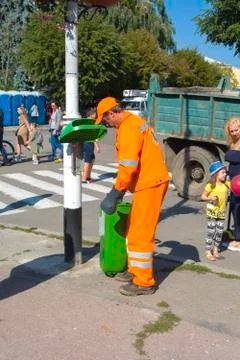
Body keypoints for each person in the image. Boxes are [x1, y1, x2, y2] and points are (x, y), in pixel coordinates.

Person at [95, 97, 170, 296]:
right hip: (151, 181)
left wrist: (116, 192)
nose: (106, 124)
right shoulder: (134, 123)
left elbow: (128, 165)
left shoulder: (128, 128)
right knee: (134, 228)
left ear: (112, 113)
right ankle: (135, 271)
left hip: (150, 183)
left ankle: (144, 282)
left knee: (141, 233)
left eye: (105, 120)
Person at [201, 161, 229, 260]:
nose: (225, 174)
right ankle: (208, 251)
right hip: (212, 212)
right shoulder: (210, 185)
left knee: (219, 232)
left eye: (225, 172)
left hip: (221, 212)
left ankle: (216, 250)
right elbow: (203, 196)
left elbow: (235, 186)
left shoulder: (226, 184)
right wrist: (210, 198)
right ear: (216, 174)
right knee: (211, 232)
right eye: (223, 172)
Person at [224, 116, 240, 250]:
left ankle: (239, 240)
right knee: (235, 209)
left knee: (238, 210)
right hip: (233, 184)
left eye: (237, 130)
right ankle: (236, 236)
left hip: (239, 184)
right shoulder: (232, 143)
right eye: (232, 131)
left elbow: (230, 156)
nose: (235, 133)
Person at [82, 107, 100, 183]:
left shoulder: (85, 121)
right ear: (91, 114)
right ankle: (84, 177)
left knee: (92, 158)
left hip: (85, 142)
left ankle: (88, 176)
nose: (96, 115)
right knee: (88, 160)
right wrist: (97, 146)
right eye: (95, 113)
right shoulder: (91, 122)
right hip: (89, 143)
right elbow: (93, 135)